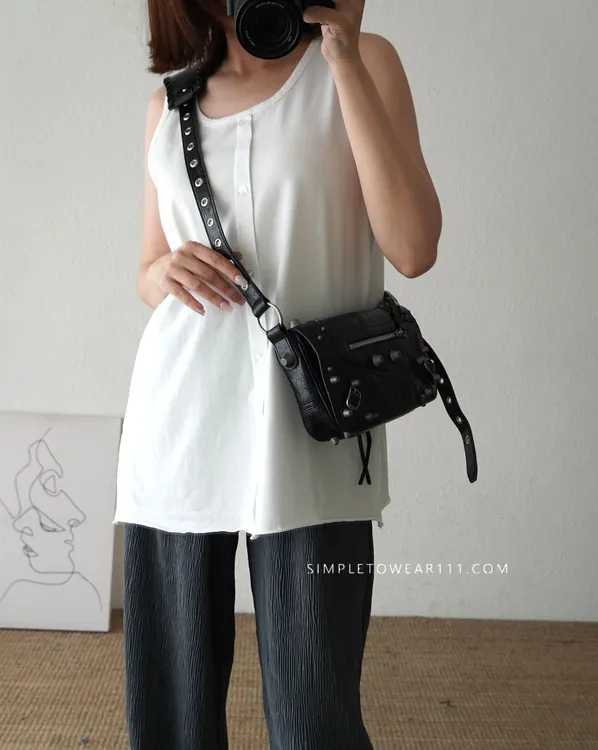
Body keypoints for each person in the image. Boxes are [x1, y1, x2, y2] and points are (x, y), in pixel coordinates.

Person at [113, 0, 441, 747]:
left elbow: (414, 247)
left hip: (314, 426)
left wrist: (344, 55)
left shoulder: (361, 62)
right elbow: (146, 269)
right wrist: (165, 271)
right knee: (171, 718)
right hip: (179, 424)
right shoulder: (170, 102)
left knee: (314, 713)